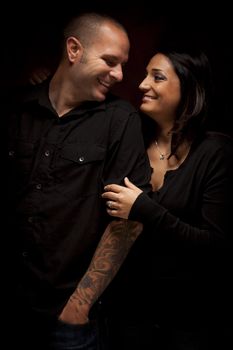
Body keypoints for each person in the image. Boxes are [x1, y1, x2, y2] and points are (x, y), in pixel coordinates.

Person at [6, 12, 152, 350]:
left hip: (66, 319)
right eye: (110, 61)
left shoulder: (120, 119)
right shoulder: (16, 109)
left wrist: (79, 305)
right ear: (74, 50)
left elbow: (128, 221)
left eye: (122, 65)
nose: (119, 75)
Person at [102, 46, 233, 349]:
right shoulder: (133, 139)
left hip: (190, 320)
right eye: (146, 75)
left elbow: (217, 245)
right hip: (130, 314)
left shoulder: (215, 152)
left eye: (156, 77)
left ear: (188, 87)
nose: (142, 84)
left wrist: (144, 210)